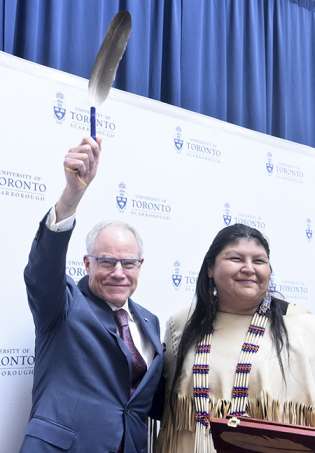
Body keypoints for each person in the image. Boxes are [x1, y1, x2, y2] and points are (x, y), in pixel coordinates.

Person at [20, 137, 163, 453]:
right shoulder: (65, 304)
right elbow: (42, 271)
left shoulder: (150, 322)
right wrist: (72, 196)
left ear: (140, 266)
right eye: (107, 261)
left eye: (128, 263)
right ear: (87, 263)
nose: (118, 272)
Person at [156, 223, 315, 452]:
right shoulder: (183, 324)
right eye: (236, 259)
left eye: (259, 261)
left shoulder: (302, 327)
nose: (249, 268)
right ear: (210, 268)